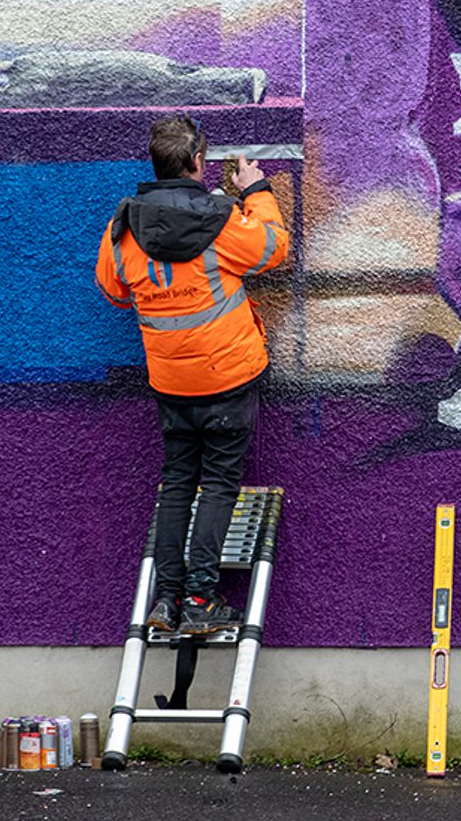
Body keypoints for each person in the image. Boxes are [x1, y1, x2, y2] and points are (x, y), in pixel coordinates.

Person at [96, 115, 290, 635]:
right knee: (220, 485)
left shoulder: (124, 223)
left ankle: (167, 600)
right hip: (228, 378)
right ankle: (203, 598)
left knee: (178, 484)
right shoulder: (220, 218)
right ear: (199, 162)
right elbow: (274, 249)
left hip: (170, 385)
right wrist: (257, 192)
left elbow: (114, 290)